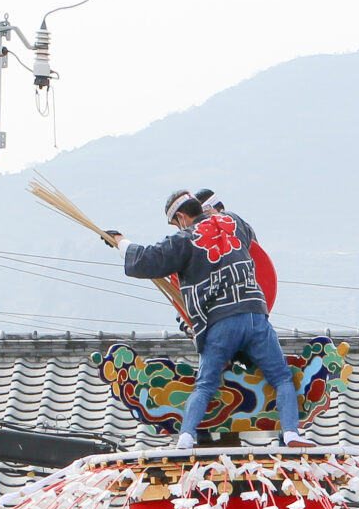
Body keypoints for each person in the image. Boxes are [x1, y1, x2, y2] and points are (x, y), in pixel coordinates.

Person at [108, 190, 302, 451]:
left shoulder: (185, 240)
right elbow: (253, 245)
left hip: (220, 322)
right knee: (281, 378)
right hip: (255, 314)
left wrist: (120, 242)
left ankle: (186, 437)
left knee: (206, 384)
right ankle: (291, 434)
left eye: (176, 223)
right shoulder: (234, 222)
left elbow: (146, 259)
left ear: (181, 217)